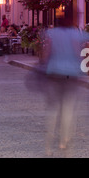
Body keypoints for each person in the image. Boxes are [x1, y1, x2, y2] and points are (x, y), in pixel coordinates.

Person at [42, 16, 89, 155]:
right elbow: (79, 49)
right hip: (71, 73)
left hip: (55, 72)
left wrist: (44, 66)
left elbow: (47, 52)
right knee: (68, 108)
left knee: (53, 108)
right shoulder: (75, 34)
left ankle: (49, 143)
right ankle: (64, 140)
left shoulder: (52, 33)